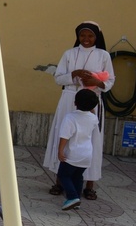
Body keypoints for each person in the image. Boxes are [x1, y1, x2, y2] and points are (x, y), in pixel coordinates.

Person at [43, 21, 114, 201]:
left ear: (96, 37)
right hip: (69, 98)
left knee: (91, 140)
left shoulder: (103, 55)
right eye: (82, 35)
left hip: (91, 100)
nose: (86, 39)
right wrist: (74, 74)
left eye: (90, 35)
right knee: (65, 136)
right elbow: (58, 79)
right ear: (77, 36)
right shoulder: (69, 54)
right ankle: (59, 181)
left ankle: (89, 185)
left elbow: (110, 81)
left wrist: (96, 82)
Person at [56, 88, 100, 211]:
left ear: (75, 102)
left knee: (63, 175)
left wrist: (60, 151)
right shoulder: (93, 118)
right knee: (78, 177)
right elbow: (92, 113)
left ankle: (73, 197)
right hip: (86, 155)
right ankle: (77, 201)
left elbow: (65, 136)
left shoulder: (70, 118)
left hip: (72, 154)